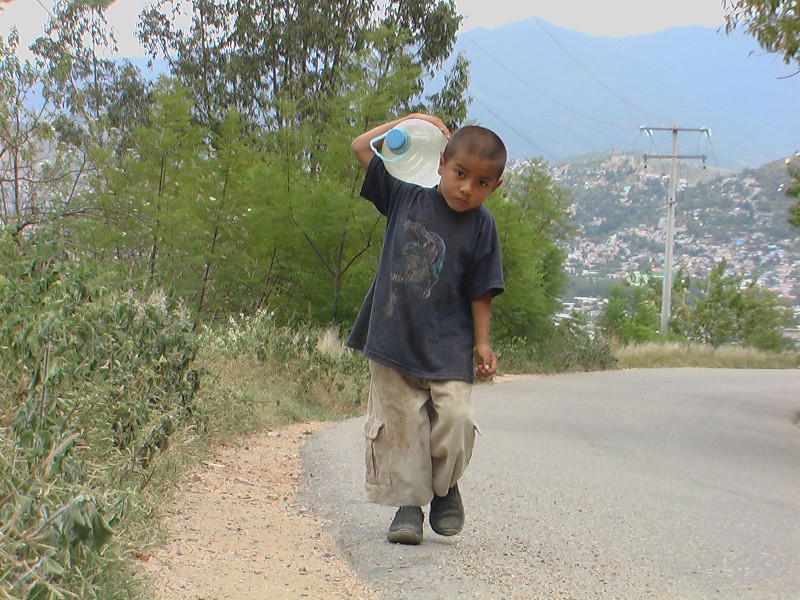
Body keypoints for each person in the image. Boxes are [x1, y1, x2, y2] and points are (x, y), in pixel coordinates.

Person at [346, 112, 507, 545]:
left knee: (455, 418)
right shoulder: (405, 196)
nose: (466, 188)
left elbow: (482, 291)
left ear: (495, 187)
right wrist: (411, 121)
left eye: (481, 183)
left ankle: (445, 488)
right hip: (392, 334)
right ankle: (408, 506)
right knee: (404, 425)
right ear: (440, 163)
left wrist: (482, 342)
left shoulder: (482, 226)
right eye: (459, 174)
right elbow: (362, 147)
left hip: (448, 345)